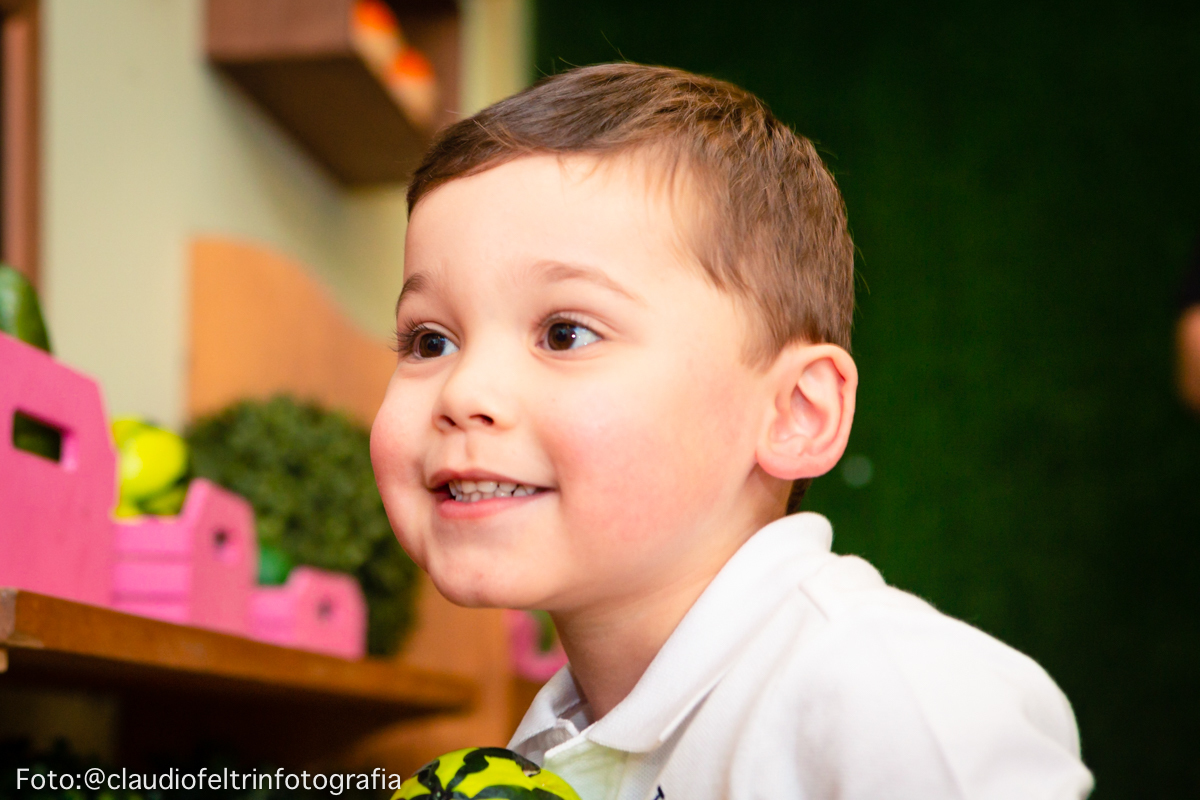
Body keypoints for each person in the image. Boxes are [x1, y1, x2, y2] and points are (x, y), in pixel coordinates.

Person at [370, 63, 1094, 799]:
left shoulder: (891, 694)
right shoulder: (544, 748)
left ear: (795, 413)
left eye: (564, 333)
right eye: (430, 341)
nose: (464, 393)